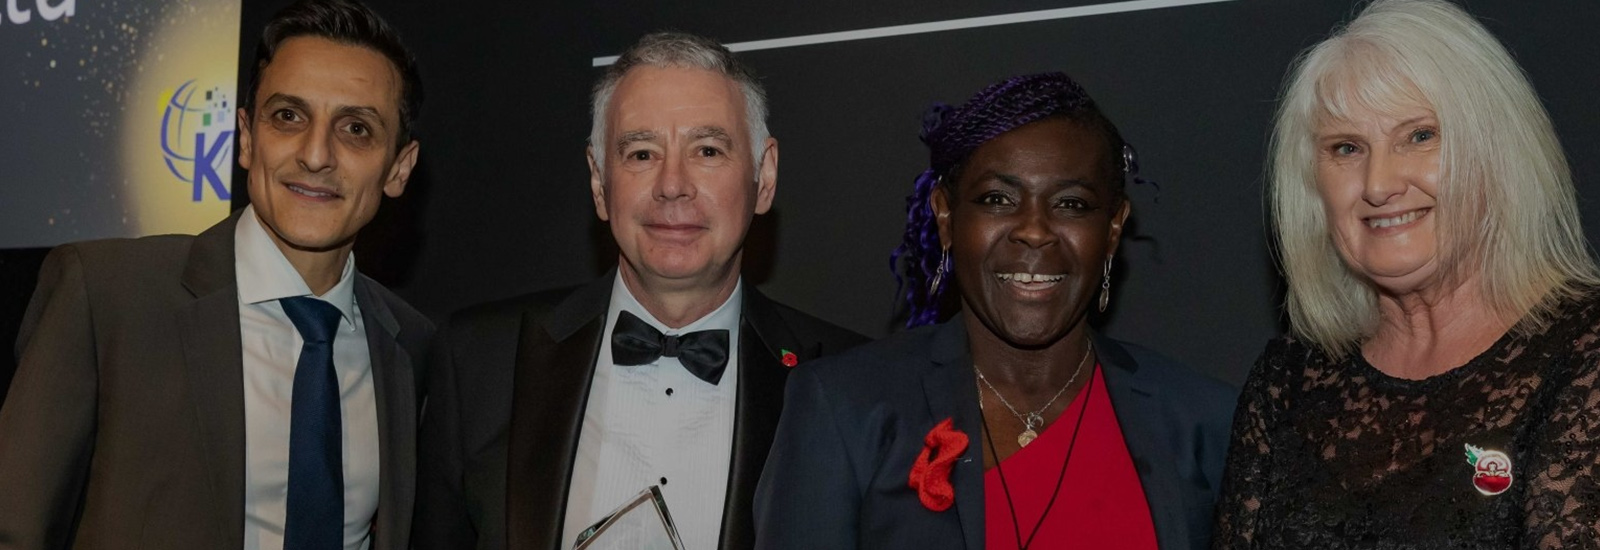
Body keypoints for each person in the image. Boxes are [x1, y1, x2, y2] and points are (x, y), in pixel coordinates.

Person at [0, 0, 431, 548]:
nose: (316, 154)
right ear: (247, 138)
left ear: (398, 168)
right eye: (289, 116)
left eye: (356, 128)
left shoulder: (410, 348)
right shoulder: (106, 297)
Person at [412, 32, 866, 550]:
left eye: (708, 150)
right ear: (599, 181)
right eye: (642, 153)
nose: (672, 185)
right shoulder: (479, 360)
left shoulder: (851, 383)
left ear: (764, 177)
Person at [753, 72, 1235, 550]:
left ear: (1112, 229)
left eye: (1071, 203)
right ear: (946, 217)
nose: (1034, 230)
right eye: (997, 199)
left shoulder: (1202, 420)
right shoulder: (845, 407)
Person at [1212, 0, 1600, 547]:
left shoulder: (1585, 354)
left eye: (1419, 136)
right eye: (1347, 148)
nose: (1378, 184)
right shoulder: (1288, 382)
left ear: (1497, 154)